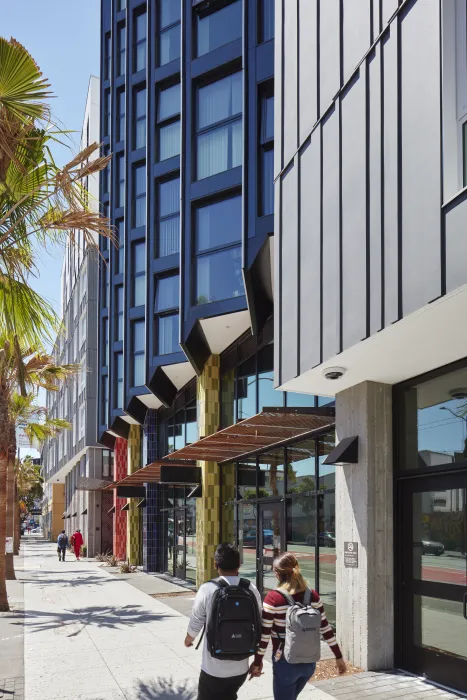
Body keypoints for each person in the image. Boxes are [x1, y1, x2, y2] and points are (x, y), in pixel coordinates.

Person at [249, 552, 346, 700]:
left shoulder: (273, 598)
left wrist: (257, 662)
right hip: (309, 663)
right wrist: (338, 657)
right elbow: (326, 630)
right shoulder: (313, 596)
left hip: (285, 663)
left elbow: (265, 636)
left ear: (277, 573)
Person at [184, 543, 262, 700]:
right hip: (241, 667)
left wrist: (188, 639)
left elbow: (197, 620)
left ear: (215, 564)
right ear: (239, 564)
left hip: (213, 669)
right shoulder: (250, 588)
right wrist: (258, 659)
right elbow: (259, 621)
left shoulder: (208, 589)